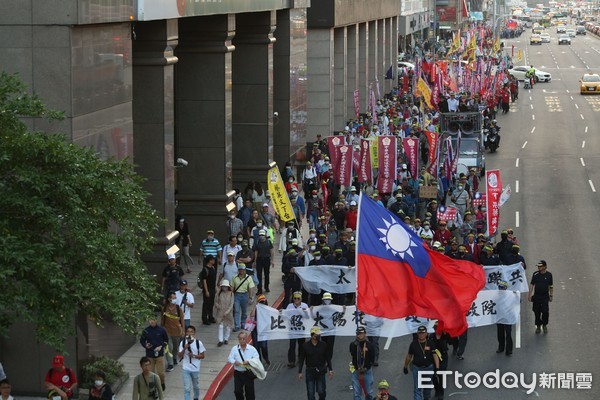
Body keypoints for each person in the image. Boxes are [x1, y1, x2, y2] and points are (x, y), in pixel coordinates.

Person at [402, 325, 439, 400]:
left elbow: (435, 355)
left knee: (427, 387)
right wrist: (405, 366)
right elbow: (409, 355)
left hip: (428, 368)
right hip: (417, 368)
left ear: (426, 334)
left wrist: (437, 368)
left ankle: (426, 398)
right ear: (417, 334)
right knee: (417, 388)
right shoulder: (413, 344)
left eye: (423, 333)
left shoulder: (430, 343)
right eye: (419, 333)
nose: (421, 334)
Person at [298, 327, 333, 400]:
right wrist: (300, 371)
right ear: (312, 336)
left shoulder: (323, 345)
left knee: (321, 391)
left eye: (319, 335)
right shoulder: (305, 346)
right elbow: (301, 359)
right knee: (310, 394)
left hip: (321, 370)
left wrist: (330, 369)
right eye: (317, 335)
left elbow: (327, 358)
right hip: (310, 371)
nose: (318, 336)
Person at [228, 331, 260, 400]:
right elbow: (230, 358)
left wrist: (249, 362)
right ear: (238, 339)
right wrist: (234, 362)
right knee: (237, 391)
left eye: (244, 338)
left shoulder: (252, 349)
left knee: (250, 393)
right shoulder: (234, 349)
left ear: (246, 339)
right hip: (238, 373)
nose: (242, 340)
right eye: (240, 339)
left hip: (248, 373)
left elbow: (256, 358)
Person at [177, 326, 206, 400]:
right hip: (186, 368)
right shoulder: (183, 342)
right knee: (187, 388)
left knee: (196, 386)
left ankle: (196, 397)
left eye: (191, 331)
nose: (190, 333)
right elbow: (179, 355)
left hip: (195, 368)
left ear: (194, 333)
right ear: (186, 333)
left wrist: (194, 355)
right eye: (188, 332)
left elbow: (202, 356)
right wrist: (185, 348)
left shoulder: (198, 343)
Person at [139, 318, 168, 390]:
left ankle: (162, 382)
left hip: (159, 354)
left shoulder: (162, 330)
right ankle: (152, 386)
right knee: (150, 372)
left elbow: (166, 340)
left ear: (156, 320)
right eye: (150, 320)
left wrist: (161, 346)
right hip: (149, 355)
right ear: (148, 321)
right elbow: (142, 340)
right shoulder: (146, 331)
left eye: (154, 320)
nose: (152, 321)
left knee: (161, 372)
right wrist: (145, 345)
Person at [161, 291, 185, 372]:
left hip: (177, 332)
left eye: (175, 298)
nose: (175, 299)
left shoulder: (179, 309)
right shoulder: (164, 308)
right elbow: (162, 320)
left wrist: (183, 331)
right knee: (169, 348)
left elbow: (182, 320)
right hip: (167, 332)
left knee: (175, 347)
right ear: (169, 299)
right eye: (173, 298)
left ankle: (174, 357)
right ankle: (170, 364)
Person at [349, 327, 375, 400]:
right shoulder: (352, 345)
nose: (360, 335)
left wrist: (366, 368)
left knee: (368, 393)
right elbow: (353, 355)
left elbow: (372, 359)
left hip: (366, 371)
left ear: (365, 334)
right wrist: (355, 345)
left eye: (361, 333)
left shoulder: (369, 345)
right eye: (358, 333)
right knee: (356, 393)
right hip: (356, 371)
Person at [528, 260, 553, 334]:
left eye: (540, 266)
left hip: (545, 297)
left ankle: (544, 324)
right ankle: (538, 325)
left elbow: (551, 286)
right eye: (538, 266)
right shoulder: (535, 274)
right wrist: (529, 294)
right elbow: (532, 284)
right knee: (536, 312)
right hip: (537, 297)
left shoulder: (549, 275)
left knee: (545, 311)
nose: (539, 267)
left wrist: (551, 295)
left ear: (545, 267)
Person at [286, 292, 309, 368]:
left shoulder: (304, 306)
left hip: (301, 329)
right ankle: (291, 361)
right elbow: (285, 315)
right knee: (292, 345)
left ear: (301, 299)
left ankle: (301, 358)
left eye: (298, 298)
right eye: (295, 298)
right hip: (292, 329)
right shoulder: (290, 306)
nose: (296, 300)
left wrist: (305, 311)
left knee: (301, 345)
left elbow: (308, 317)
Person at [232, 263, 255, 332]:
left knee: (244, 311)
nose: (241, 271)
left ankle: (243, 323)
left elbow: (251, 288)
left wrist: (250, 297)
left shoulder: (249, 278)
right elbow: (232, 287)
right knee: (236, 310)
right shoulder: (234, 277)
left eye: (242, 269)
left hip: (245, 295)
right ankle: (236, 325)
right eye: (240, 269)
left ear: (245, 270)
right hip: (237, 295)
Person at [253, 229, 274, 294]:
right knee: (259, 275)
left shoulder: (269, 242)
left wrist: (272, 260)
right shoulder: (257, 242)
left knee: (266, 274)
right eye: (260, 235)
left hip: (266, 259)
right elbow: (256, 252)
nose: (261, 236)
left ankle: (266, 287)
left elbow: (272, 252)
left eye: (262, 235)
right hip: (259, 260)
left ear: (265, 235)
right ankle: (259, 289)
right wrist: (255, 261)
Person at [496, 281, 514, 356]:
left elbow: (518, 301)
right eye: (500, 287)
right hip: (499, 318)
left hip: (508, 318)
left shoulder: (511, 295)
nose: (501, 289)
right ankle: (501, 347)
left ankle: (509, 350)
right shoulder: (496, 296)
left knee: (508, 334)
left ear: (506, 287)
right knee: (500, 333)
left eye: (502, 287)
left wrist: (516, 295)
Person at [198, 255, 218, 325]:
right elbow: (204, 281)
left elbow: (214, 279)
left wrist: (215, 287)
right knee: (206, 304)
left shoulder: (213, 268)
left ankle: (210, 316)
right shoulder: (205, 269)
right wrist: (206, 291)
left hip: (212, 288)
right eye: (213, 259)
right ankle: (204, 318)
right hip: (208, 288)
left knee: (211, 303)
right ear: (210, 260)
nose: (214, 261)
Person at [214, 279, 234, 347]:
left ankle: (226, 338)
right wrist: (217, 306)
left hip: (228, 313)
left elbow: (231, 304)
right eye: (223, 286)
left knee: (228, 326)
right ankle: (220, 340)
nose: (224, 288)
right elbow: (216, 302)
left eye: (225, 286)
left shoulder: (231, 294)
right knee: (220, 326)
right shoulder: (219, 293)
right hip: (220, 312)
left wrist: (227, 311)